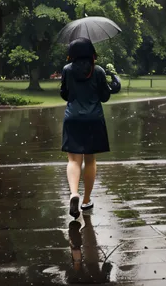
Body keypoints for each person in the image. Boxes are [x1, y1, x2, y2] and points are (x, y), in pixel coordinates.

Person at [60, 37, 121, 218]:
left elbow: (64, 94)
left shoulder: (67, 70)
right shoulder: (98, 71)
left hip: (73, 119)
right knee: (90, 160)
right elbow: (104, 96)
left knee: (73, 160)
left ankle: (74, 193)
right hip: (94, 119)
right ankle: (86, 200)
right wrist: (114, 86)